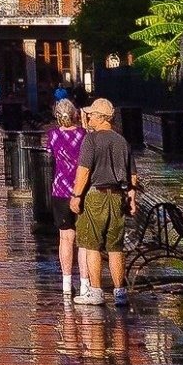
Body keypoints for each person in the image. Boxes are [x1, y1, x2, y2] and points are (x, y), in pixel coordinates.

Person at [70, 96, 139, 306]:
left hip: (95, 196)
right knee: (115, 246)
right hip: (117, 196)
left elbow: (84, 171)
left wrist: (76, 196)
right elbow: (132, 174)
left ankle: (96, 291)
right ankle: (120, 292)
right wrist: (132, 197)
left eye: (91, 114)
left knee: (92, 245)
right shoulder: (121, 141)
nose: (88, 116)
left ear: (101, 118)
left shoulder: (91, 140)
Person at [45, 97, 86, 296]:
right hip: (81, 189)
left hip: (60, 190)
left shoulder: (52, 135)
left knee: (65, 238)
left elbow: (50, 154)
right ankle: (86, 282)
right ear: (75, 114)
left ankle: (67, 283)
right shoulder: (83, 134)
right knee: (84, 240)